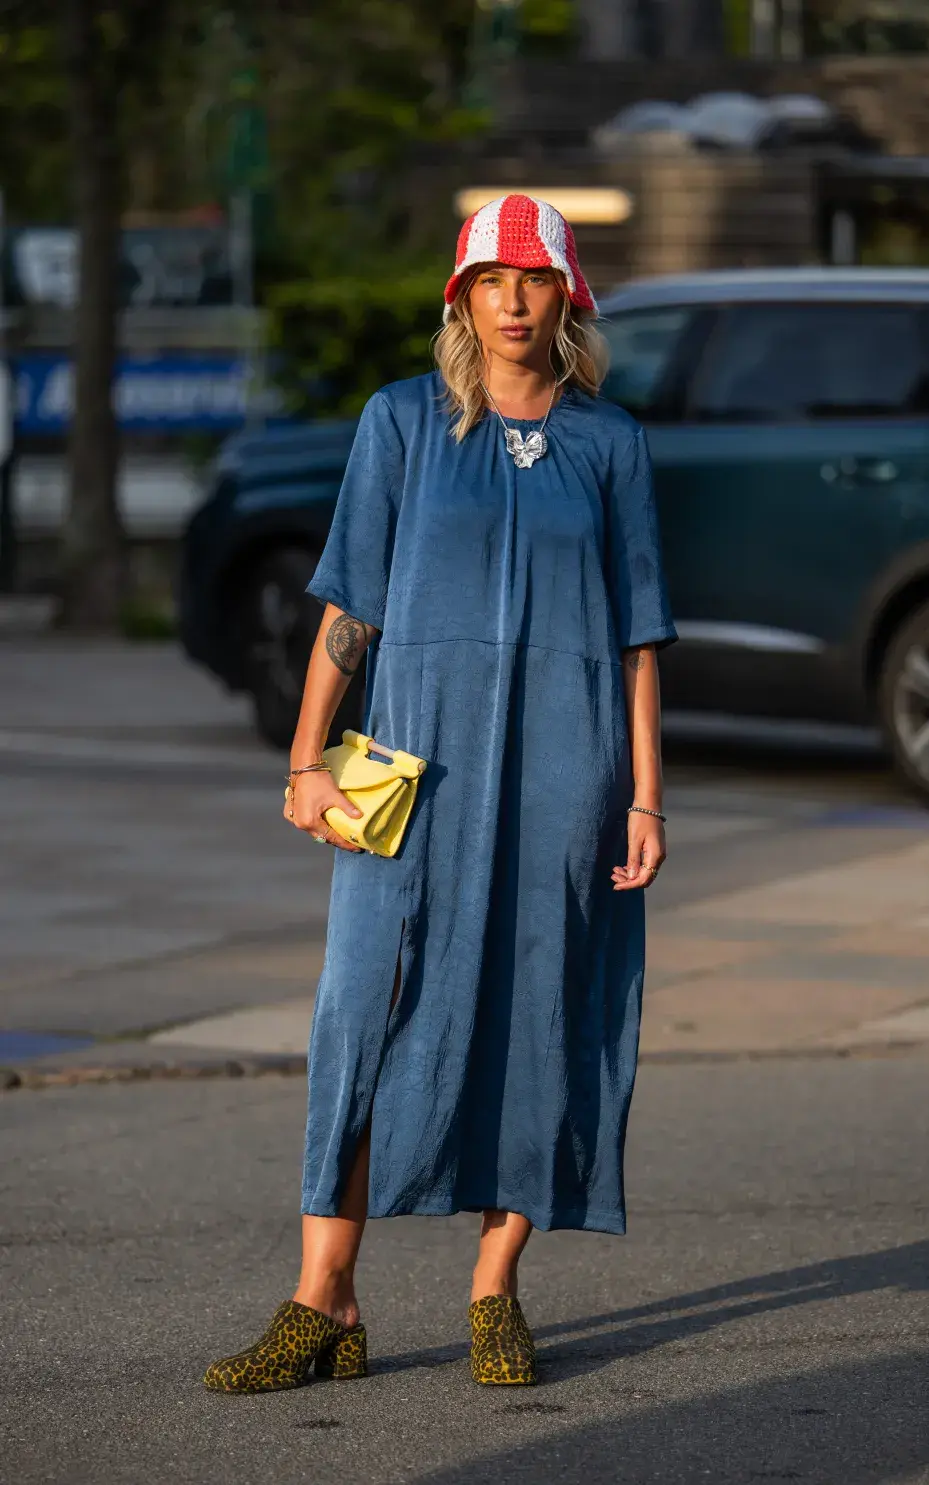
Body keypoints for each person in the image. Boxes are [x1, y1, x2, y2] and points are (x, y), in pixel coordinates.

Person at [204, 193, 677, 1394]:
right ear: (460, 298)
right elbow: (350, 605)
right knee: (361, 1008)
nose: (514, 301)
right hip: (411, 768)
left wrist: (645, 797)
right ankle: (326, 1300)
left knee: (539, 1012)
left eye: (536, 280)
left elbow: (637, 638)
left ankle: (496, 1291)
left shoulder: (610, 442)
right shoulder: (403, 424)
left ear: (567, 297)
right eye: (492, 280)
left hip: (568, 771)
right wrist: (307, 759)